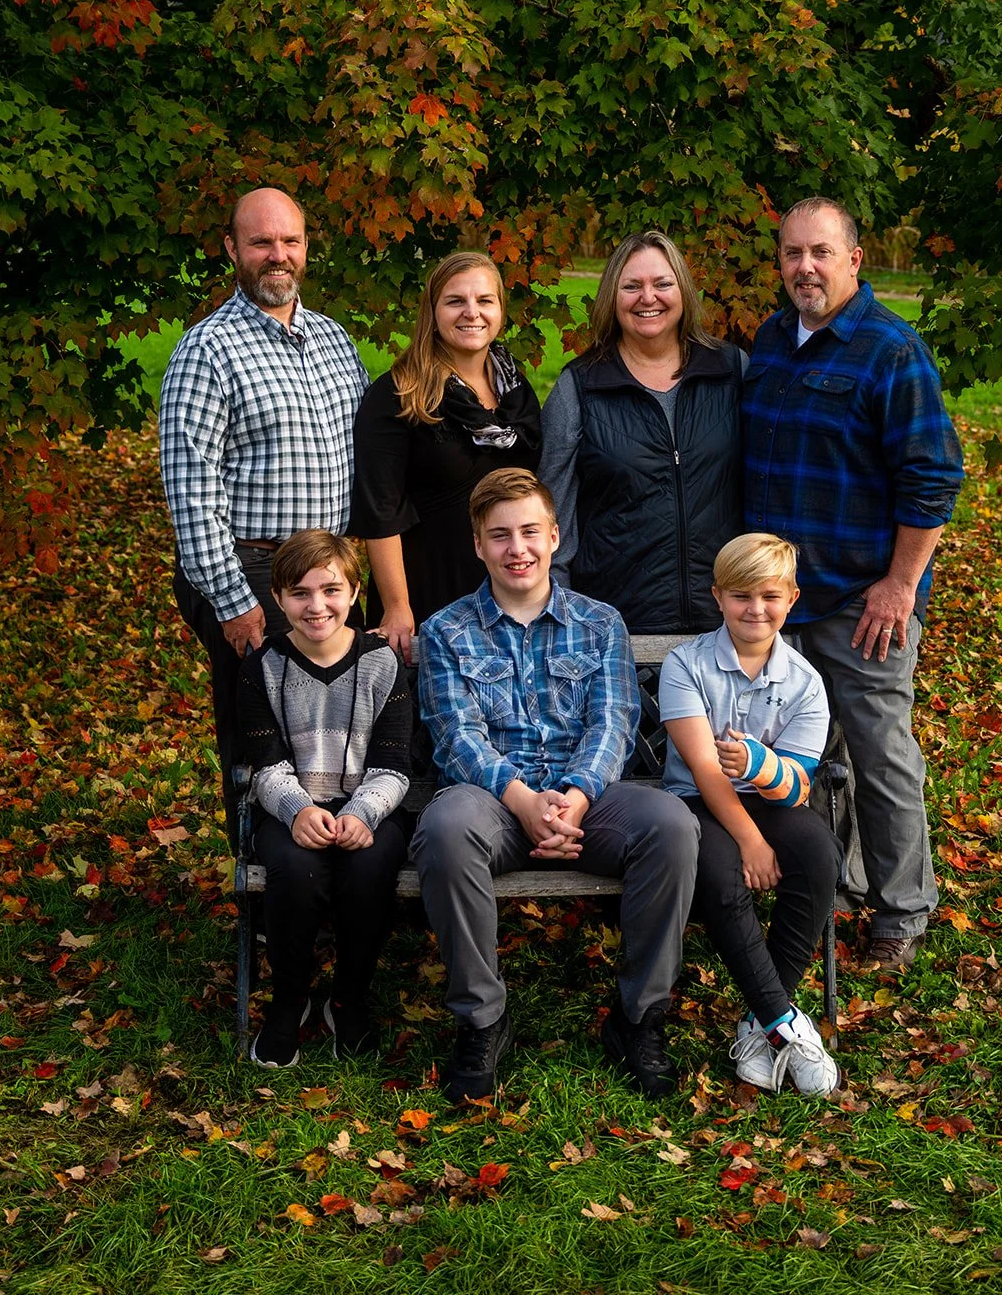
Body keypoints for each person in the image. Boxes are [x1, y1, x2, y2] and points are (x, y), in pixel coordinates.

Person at [412, 468, 701, 1100]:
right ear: (477, 545)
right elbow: (455, 735)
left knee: (673, 826)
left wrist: (573, 798)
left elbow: (615, 721)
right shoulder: (445, 631)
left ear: (555, 537)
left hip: (586, 801)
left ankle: (638, 1018)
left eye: (530, 532)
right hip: (491, 802)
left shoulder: (599, 624)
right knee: (443, 828)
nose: (517, 548)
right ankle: (482, 1019)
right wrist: (521, 801)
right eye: (499, 536)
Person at [742, 196, 964, 974]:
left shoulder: (890, 352)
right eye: (792, 253)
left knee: (879, 754)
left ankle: (902, 911)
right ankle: (836, 889)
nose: (805, 267)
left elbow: (933, 478)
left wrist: (900, 585)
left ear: (855, 260)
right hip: (781, 607)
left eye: (821, 253)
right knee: (811, 754)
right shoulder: (771, 342)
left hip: (862, 604)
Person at [160, 187, 371, 843]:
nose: (277, 256)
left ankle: (337, 863)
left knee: (341, 736)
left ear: (306, 248)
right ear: (232, 249)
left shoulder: (336, 342)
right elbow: (191, 496)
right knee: (266, 739)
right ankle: (267, 881)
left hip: (335, 572)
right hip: (253, 570)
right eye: (261, 242)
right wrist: (232, 602)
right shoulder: (207, 351)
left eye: (290, 241)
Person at [659, 533, 841, 1095]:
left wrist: (760, 764)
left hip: (768, 800)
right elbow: (707, 774)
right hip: (697, 802)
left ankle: (761, 1020)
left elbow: (795, 790)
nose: (755, 609)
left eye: (769, 596)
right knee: (717, 871)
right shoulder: (685, 665)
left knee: (817, 853)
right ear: (718, 597)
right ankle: (786, 1027)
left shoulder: (806, 683)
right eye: (741, 596)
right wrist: (752, 843)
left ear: (791, 599)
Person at [238, 530, 412, 1068]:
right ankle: (291, 997)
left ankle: (349, 996)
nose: (317, 606)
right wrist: (298, 810)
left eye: (331, 590)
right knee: (296, 871)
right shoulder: (263, 665)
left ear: (357, 592)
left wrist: (362, 813)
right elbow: (263, 762)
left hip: (368, 805)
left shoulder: (382, 664)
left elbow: (394, 763)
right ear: (279, 598)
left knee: (369, 869)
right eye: (300, 593)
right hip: (289, 807)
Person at [538, 231, 744, 633]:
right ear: (612, 298)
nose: (648, 298)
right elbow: (551, 511)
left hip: (728, 619)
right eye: (631, 286)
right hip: (615, 623)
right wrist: (557, 606)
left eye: (662, 284)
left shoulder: (731, 370)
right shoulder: (580, 386)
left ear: (682, 290)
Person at [349, 251, 541, 661]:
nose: (472, 312)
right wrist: (398, 606)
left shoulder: (515, 389)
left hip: (509, 593)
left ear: (501, 311)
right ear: (432, 311)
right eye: (455, 301)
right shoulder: (398, 395)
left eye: (485, 300)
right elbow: (380, 512)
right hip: (429, 594)